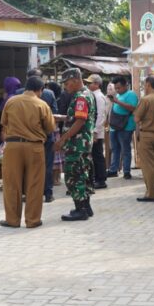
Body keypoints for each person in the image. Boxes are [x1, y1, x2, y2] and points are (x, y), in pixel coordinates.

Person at [0, 77, 55, 228]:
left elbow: (4, 122)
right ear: (40, 90)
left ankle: (12, 220)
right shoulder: (42, 104)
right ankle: (32, 220)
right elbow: (50, 127)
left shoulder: (11, 102)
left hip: (12, 146)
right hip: (35, 147)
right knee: (35, 184)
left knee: (11, 184)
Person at [57, 69, 96, 221]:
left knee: (73, 176)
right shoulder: (87, 94)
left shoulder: (81, 97)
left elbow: (80, 121)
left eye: (67, 83)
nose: (65, 86)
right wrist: (63, 118)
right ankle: (86, 206)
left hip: (77, 144)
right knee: (82, 174)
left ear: (75, 80)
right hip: (83, 143)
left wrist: (63, 139)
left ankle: (80, 210)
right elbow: (78, 117)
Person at [107, 76, 138, 180]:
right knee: (115, 149)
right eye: (116, 88)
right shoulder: (118, 95)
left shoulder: (131, 94)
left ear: (126, 85)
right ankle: (113, 170)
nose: (117, 90)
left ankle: (126, 171)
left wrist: (117, 102)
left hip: (126, 127)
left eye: (119, 88)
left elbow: (133, 108)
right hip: (114, 126)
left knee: (125, 149)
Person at [85, 74, 110, 189]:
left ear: (97, 84)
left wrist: (95, 131)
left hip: (96, 132)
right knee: (95, 155)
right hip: (94, 130)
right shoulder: (93, 95)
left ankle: (101, 179)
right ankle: (97, 178)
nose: (88, 85)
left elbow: (101, 116)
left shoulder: (98, 97)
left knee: (97, 155)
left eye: (90, 83)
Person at [40, 80, 59, 202]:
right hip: (47, 133)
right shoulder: (49, 93)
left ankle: (31, 193)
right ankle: (48, 193)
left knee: (31, 166)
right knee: (48, 164)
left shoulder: (18, 94)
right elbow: (55, 113)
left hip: (30, 137)